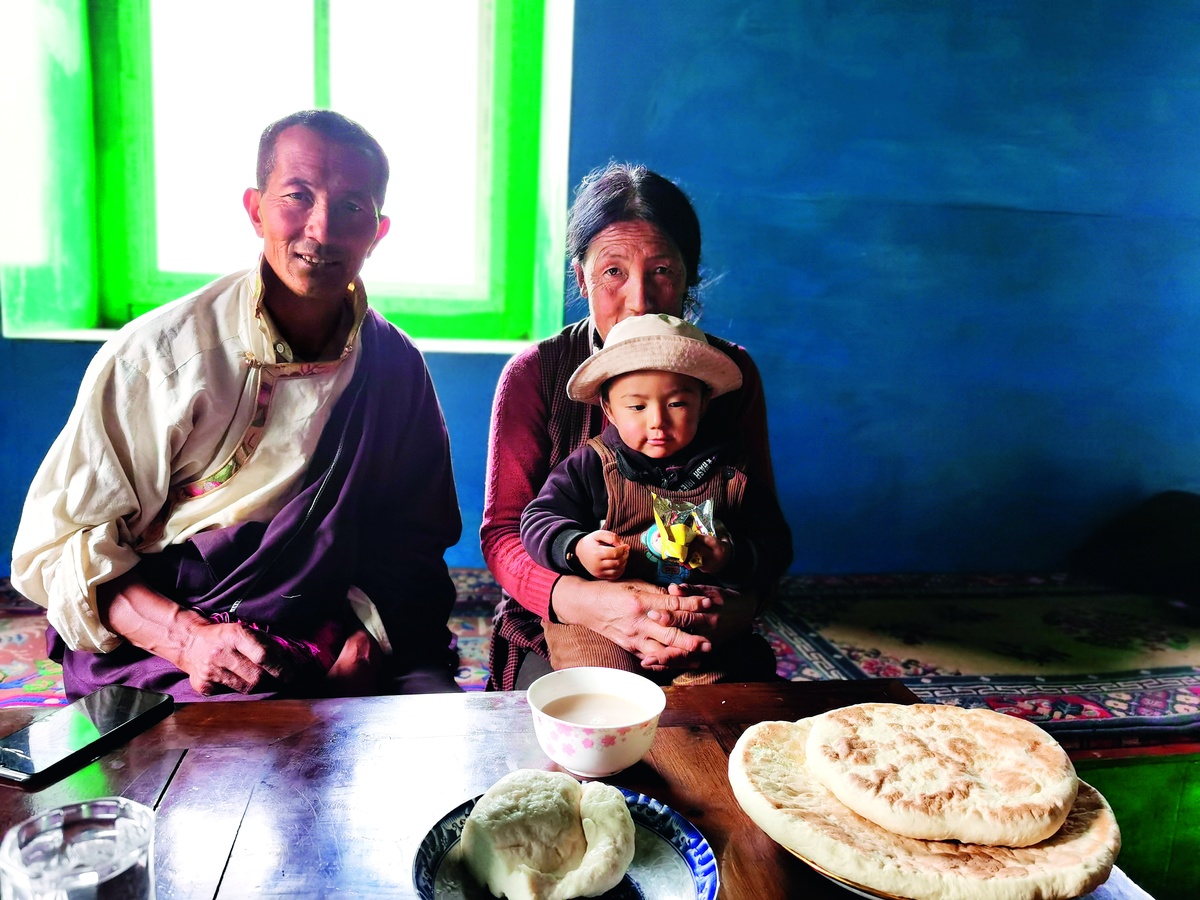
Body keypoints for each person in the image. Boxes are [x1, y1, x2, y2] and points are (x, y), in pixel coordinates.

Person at [10, 109, 463, 701]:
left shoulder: (394, 365)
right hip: (177, 623)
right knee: (219, 751)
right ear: (255, 209)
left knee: (432, 724)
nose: (322, 230)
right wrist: (187, 639)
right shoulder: (159, 357)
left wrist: (367, 635)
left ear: (377, 232)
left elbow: (414, 536)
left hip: (335, 616)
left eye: (353, 207)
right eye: (297, 196)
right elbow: (54, 548)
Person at [481, 162, 793, 690]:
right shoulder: (534, 374)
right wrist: (586, 598)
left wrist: (732, 607)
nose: (639, 301)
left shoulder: (730, 374)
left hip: (699, 611)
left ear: (688, 276)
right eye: (613, 272)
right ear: (580, 276)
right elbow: (505, 533)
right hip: (571, 616)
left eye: (662, 272)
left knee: (737, 732)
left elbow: (764, 526)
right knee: (576, 724)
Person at [520, 313, 790, 684]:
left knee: (727, 693)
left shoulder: (731, 471)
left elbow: (776, 544)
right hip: (600, 623)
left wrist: (729, 556)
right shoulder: (590, 465)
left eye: (677, 404)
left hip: (696, 617)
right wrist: (577, 547)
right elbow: (539, 518)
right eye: (637, 407)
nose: (657, 421)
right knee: (603, 684)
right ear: (609, 408)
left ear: (703, 402)